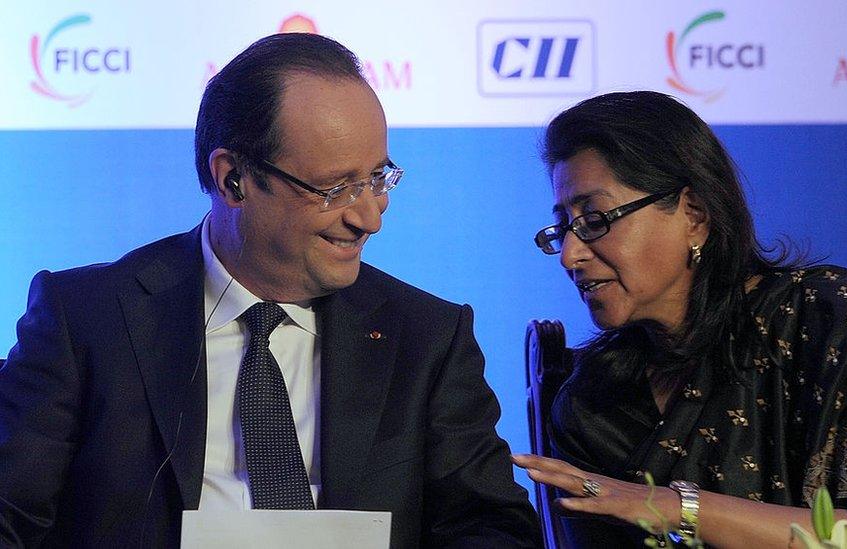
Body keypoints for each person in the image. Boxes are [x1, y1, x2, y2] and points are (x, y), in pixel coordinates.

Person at [0, 33, 539, 548]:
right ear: (234, 179)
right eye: (335, 188)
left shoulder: (426, 338)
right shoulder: (86, 319)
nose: (370, 217)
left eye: (378, 178)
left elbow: (491, 528)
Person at [512, 91, 847, 548]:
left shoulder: (837, 323)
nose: (571, 255)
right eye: (564, 228)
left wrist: (675, 508)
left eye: (595, 219)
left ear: (694, 215)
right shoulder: (593, 405)